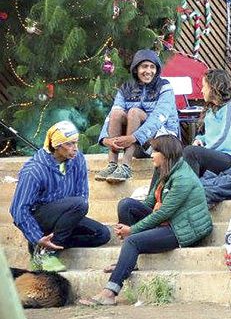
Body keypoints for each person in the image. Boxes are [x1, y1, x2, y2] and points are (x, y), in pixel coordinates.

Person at [78, 134, 213, 306]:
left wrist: (132, 230)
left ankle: (109, 293)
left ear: (166, 154)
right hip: (169, 220)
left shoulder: (183, 179)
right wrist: (133, 222)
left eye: (155, 151)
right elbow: (151, 202)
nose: (151, 155)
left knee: (132, 241)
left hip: (182, 229)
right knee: (126, 205)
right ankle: (128, 262)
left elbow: (163, 213)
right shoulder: (165, 169)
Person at [10, 121, 110, 272]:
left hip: (66, 215)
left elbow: (82, 193)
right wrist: (36, 236)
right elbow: (18, 210)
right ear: (56, 146)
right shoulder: (34, 170)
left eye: (76, 143)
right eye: (69, 144)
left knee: (102, 234)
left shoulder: (78, 159)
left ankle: (48, 245)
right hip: (40, 218)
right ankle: (45, 252)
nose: (75, 148)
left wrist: (70, 220)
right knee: (79, 204)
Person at [97, 49, 179, 183]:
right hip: (137, 144)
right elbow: (112, 113)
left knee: (134, 112)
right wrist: (105, 139)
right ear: (136, 69)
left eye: (152, 67)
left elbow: (159, 117)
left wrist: (134, 137)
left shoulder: (165, 87)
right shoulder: (126, 88)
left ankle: (126, 166)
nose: (149, 71)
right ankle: (112, 164)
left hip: (162, 141)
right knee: (117, 113)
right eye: (144, 66)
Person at [182, 69, 231, 178]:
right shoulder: (211, 109)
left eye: (204, 86)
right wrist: (199, 140)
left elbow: (225, 137)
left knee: (190, 152)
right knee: (168, 157)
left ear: (214, 87)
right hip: (213, 156)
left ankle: (190, 191)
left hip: (230, 159)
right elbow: (212, 135)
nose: (202, 90)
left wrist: (203, 150)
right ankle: (155, 194)